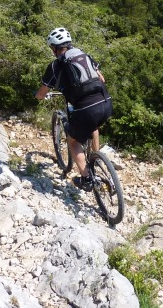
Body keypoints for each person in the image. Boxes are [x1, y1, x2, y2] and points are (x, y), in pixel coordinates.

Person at [35, 27, 112, 190]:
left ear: (54, 48)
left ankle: (87, 179)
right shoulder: (84, 55)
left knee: (73, 142)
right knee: (93, 126)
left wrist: (39, 96)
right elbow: (102, 78)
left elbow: (42, 93)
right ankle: (95, 160)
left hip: (87, 109)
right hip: (106, 103)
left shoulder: (57, 65)